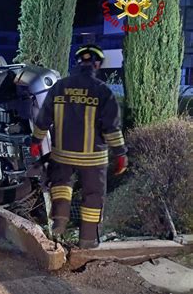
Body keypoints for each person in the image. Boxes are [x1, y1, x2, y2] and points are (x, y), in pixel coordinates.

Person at [31, 44, 128, 249]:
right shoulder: (103, 91)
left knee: (60, 189)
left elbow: (43, 118)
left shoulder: (59, 87)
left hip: (62, 156)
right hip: (93, 159)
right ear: (97, 64)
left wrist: (35, 141)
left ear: (78, 63)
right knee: (93, 197)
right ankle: (87, 241)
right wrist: (120, 154)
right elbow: (111, 128)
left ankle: (58, 229)